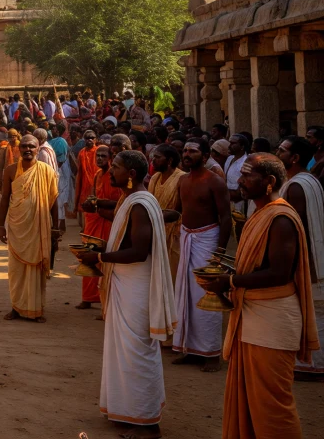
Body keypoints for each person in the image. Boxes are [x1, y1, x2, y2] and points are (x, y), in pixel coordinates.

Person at [199, 154, 318, 438]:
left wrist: (229, 279)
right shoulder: (260, 213)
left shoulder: (280, 218)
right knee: (252, 402)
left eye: (247, 175)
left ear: (269, 182)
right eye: (240, 174)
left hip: (272, 321)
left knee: (272, 406)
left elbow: (278, 273)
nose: (239, 181)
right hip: (255, 315)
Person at [79, 151, 176, 437]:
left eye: (117, 168)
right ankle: (128, 411)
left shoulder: (140, 204)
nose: (111, 172)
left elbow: (138, 251)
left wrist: (100, 258)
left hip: (136, 286)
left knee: (137, 351)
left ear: (131, 174)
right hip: (127, 283)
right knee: (124, 350)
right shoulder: (131, 200)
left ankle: (147, 424)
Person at [172, 140, 232, 371]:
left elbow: (225, 217)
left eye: (193, 151)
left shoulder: (215, 182)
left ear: (205, 156)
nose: (187, 154)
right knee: (186, 294)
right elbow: (178, 210)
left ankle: (211, 353)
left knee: (208, 293)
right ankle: (190, 348)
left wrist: (219, 252)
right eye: (185, 151)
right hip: (187, 238)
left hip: (207, 241)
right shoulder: (183, 180)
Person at [275, 135, 324, 376]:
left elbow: (295, 226)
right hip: (314, 254)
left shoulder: (295, 186)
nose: (278, 154)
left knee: (308, 308)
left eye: (282, 151)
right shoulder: (309, 180)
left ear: (294, 158)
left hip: (306, 258)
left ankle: (310, 363)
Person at [0, 134, 59, 322]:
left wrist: (55, 228)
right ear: (19, 148)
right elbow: (4, 199)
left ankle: (36, 309)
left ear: (38, 148)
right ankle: (16, 307)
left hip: (39, 226)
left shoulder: (46, 171)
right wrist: (1, 225)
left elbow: (54, 201)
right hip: (17, 227)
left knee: (37, 269)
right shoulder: (9, 171)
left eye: (31, 147)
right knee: (16, 270)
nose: (27, 150)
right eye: (24, 146)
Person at [77, 145, 116, 312]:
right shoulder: (98, 174)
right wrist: (89, 204)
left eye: (103, 156)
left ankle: (104, 302)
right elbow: (93, 196)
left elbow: (119, 202)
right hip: (94, 221)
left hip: (108, 221)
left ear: (110, 157)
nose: (99, 158)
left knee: (104, 262)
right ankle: (87, 298)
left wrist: (99, 206)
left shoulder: (115, 175)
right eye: (98, 156)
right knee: (88, 257)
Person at [146, 144, 186, 278]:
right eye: (153, 157)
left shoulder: (182, 178)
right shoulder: (154, 178)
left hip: (175, 236)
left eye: (157, 157)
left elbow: (181, 211)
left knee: (173, 275)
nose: (153, 161)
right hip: (157, 232)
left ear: (169, 161)